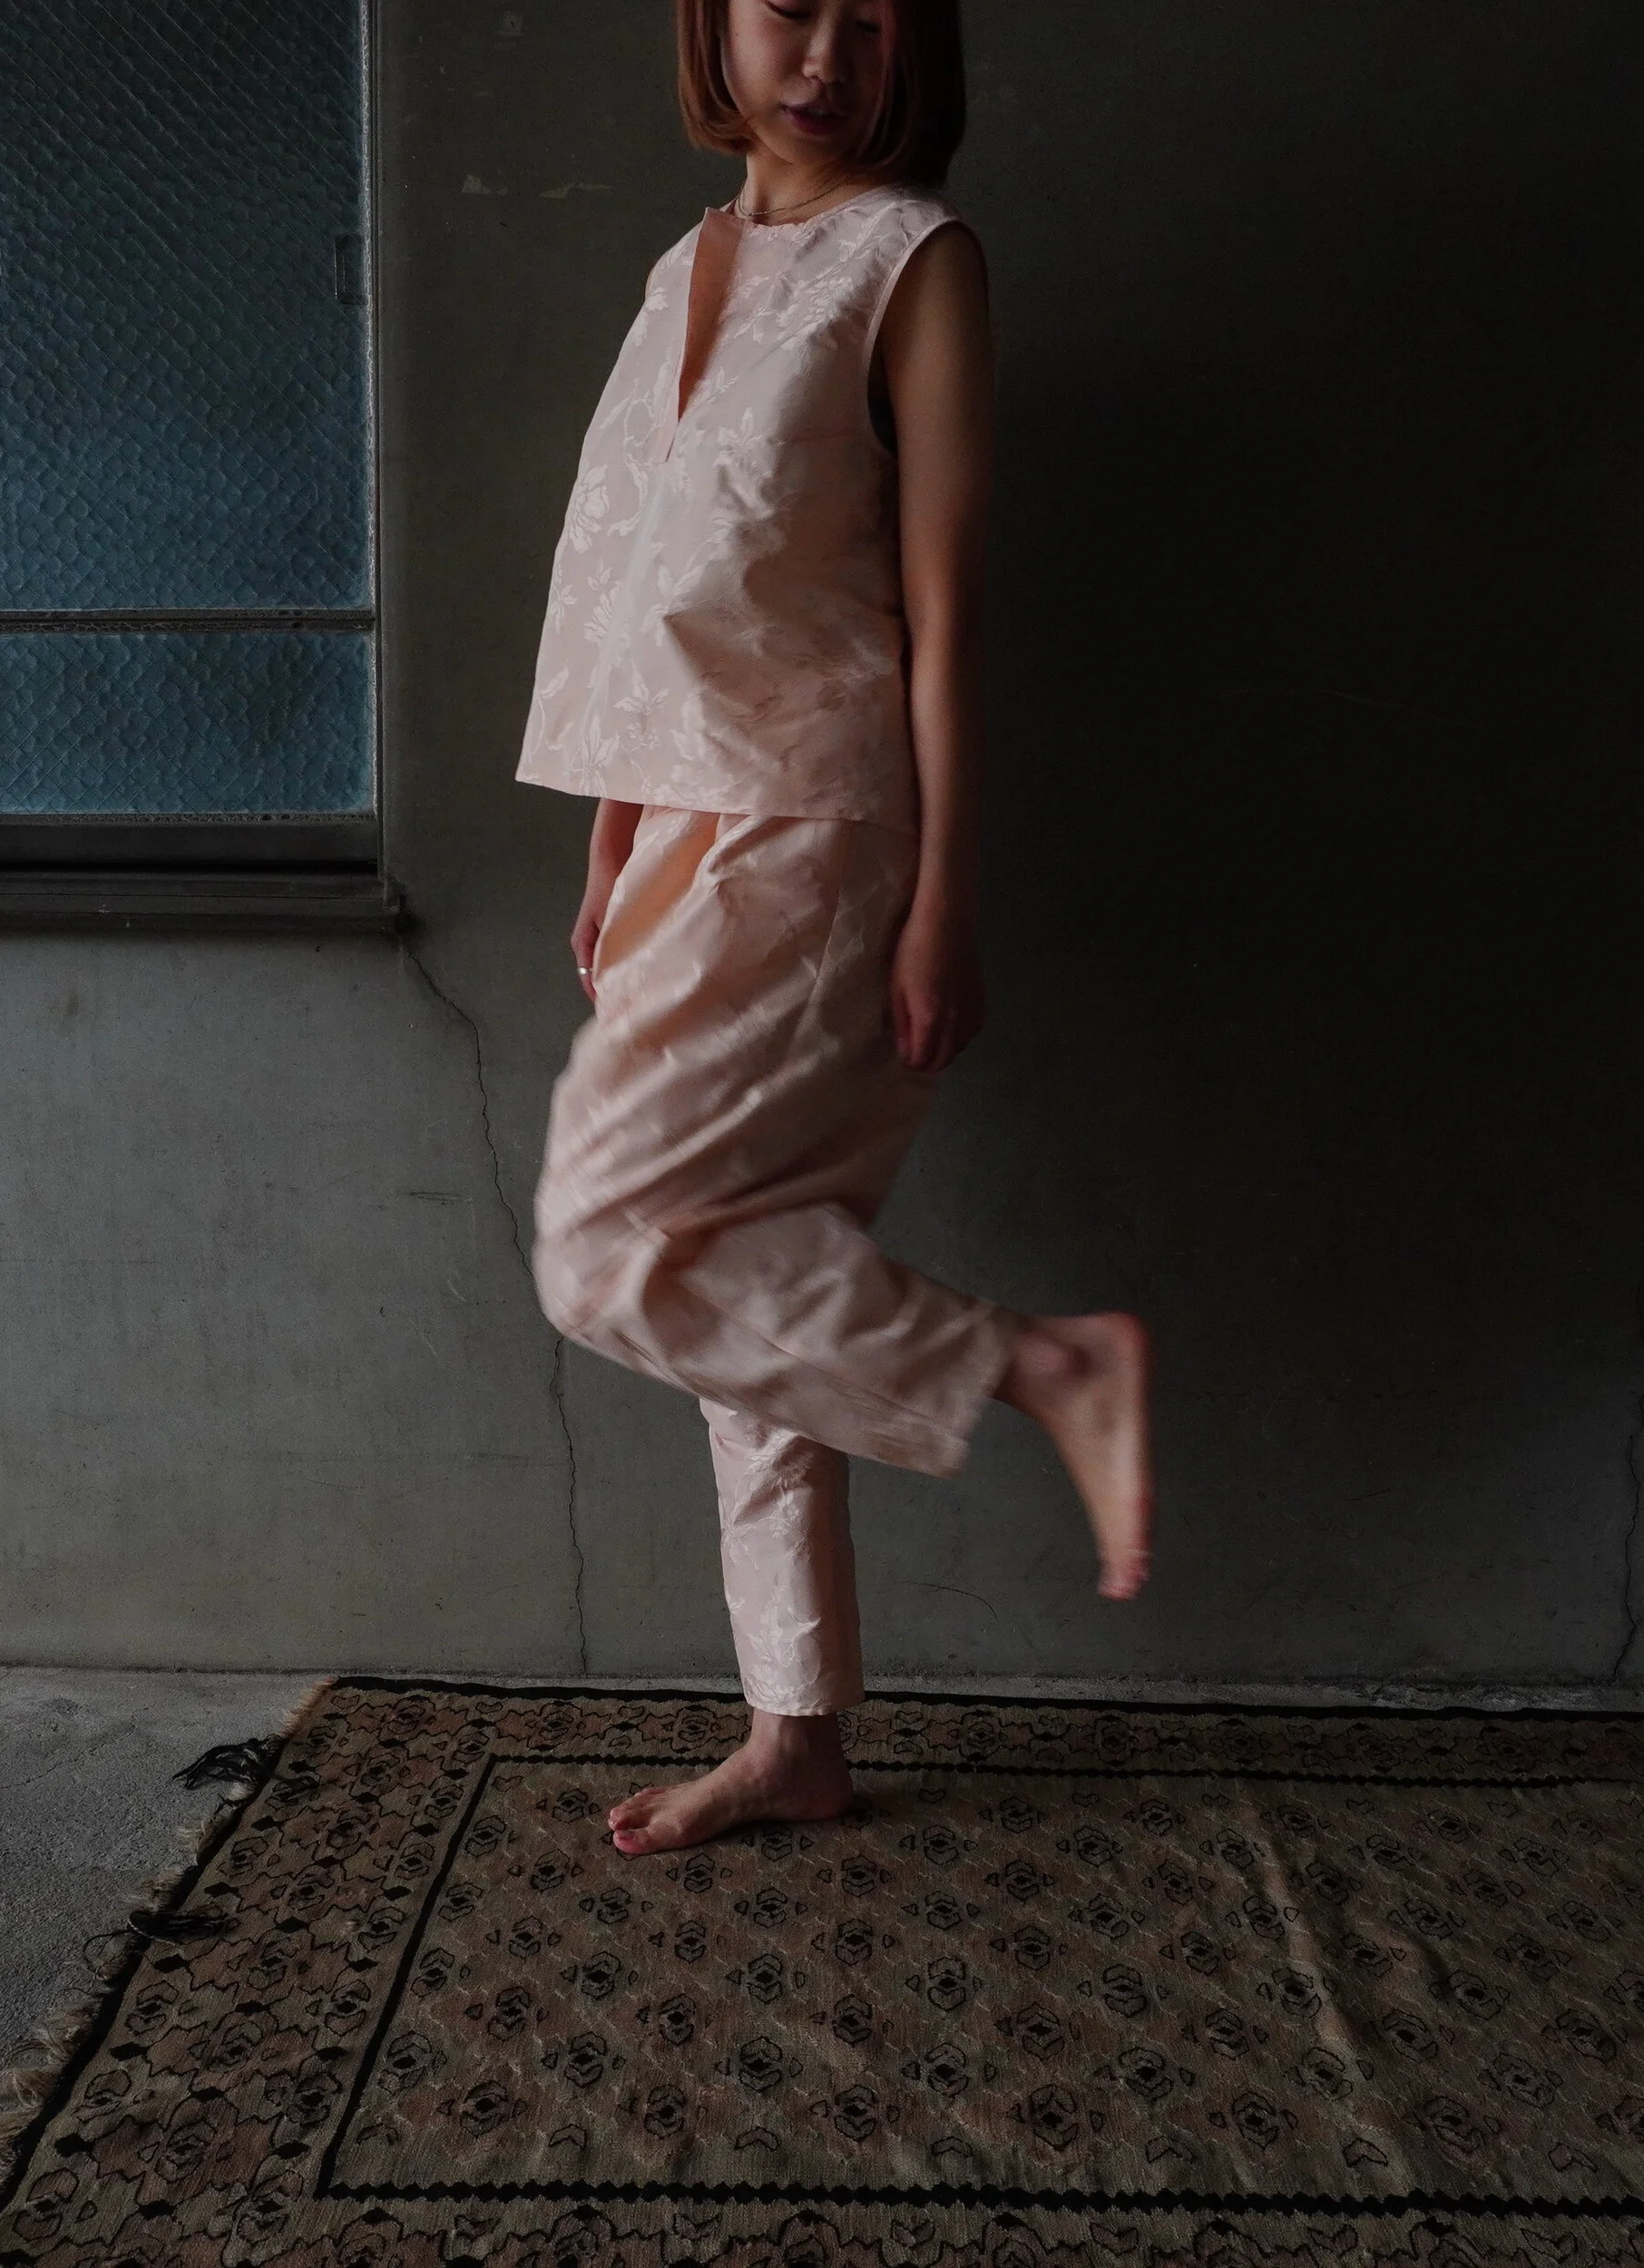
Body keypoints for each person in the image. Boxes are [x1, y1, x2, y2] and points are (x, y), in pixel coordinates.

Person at [516, 0, 1153, 1857]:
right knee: (744, 1267)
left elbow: (939, 613)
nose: (828, 52)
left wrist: (945, 893)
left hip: (810, 824)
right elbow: (646, 587)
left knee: (608, 1251)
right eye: (792, 3)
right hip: (677, 818)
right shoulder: (683, 265)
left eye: (875, 17)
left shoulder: (914, 262)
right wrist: (612, 831)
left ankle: (1044, 1368)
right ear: (712, 21)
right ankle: (795, 1732)